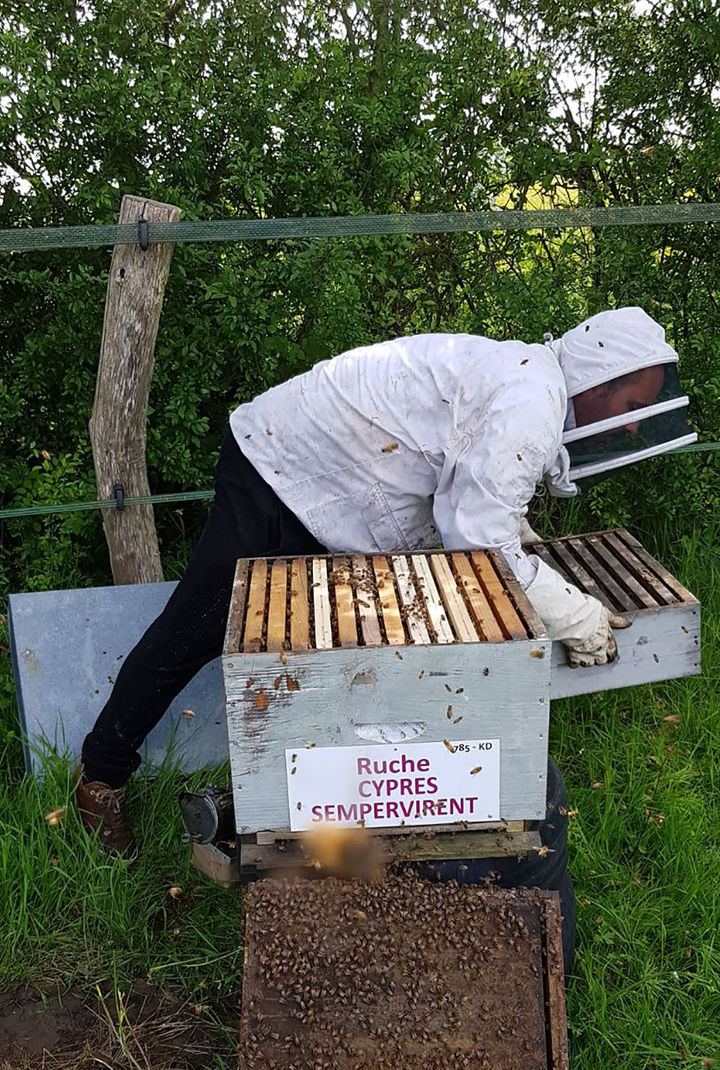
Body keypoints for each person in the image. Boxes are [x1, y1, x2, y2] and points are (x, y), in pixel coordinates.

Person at [76, 306, 695, 945]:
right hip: (282, 470)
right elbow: (479, 542)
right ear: (597, 379)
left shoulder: (528, 380)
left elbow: (473, 494)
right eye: (627, 401)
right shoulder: (532, 399)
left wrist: (519, 534)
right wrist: (575, 613)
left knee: (342, 654)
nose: (623, 421)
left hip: (343, 489)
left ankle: (318, 816)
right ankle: (101, 777)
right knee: (196, 629)